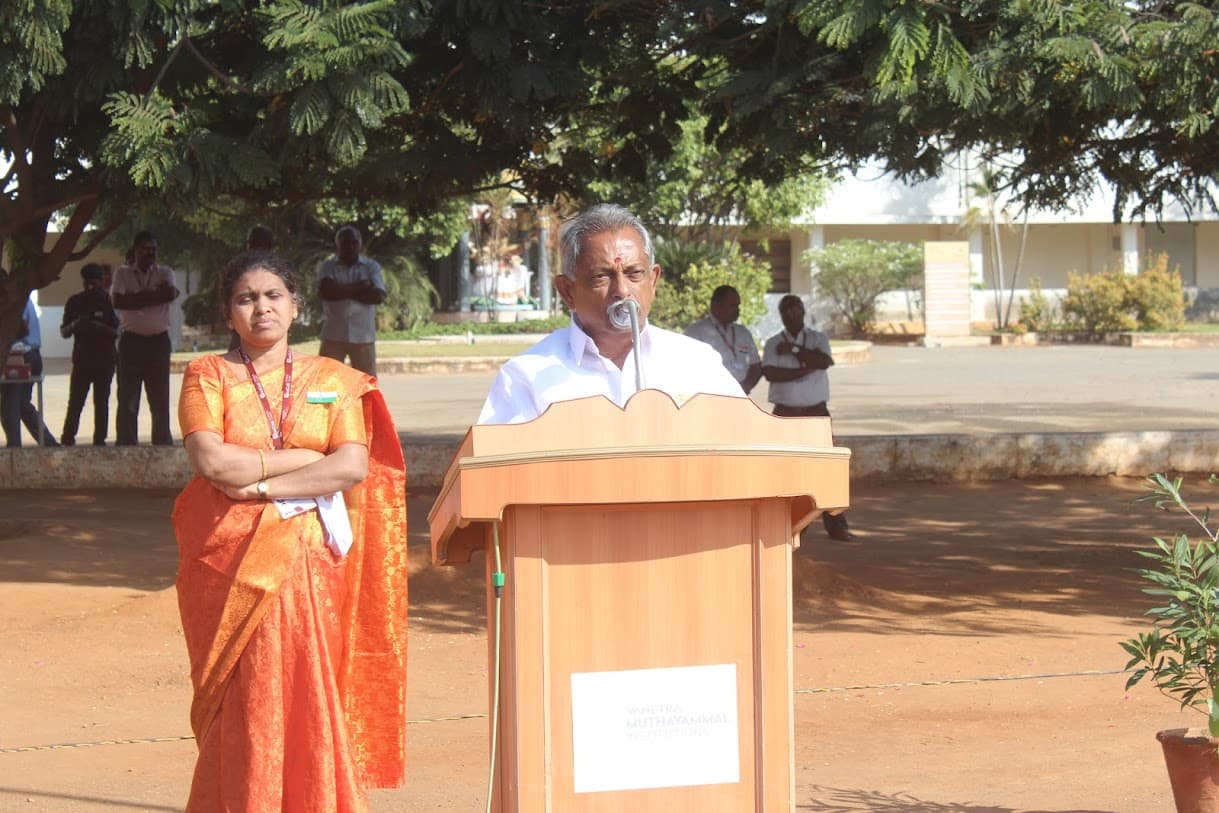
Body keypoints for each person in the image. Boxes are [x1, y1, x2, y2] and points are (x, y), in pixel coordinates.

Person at [172, 251, 407, 811]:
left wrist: (258, 487)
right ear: (229, 313)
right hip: (227, 561)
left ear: (296, 306)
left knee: (308, 685)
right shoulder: (208, 374)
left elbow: (351, 465)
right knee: (246, 691)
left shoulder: (334, 379)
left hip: (310, 566)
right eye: (245, 298)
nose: (261, 308)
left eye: (273, 295)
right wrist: (303, 458)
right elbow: (212, 463)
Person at [479, 203, 744, 425]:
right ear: (567, 291)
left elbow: (745, 443)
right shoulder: (526, 377)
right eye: (601, 277)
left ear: (653, 281)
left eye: (634, 273)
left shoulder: (696, 363)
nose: (622, 291)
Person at [762, 294, 855, 541]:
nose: (792, 315)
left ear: (803, 312)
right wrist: (804, 368)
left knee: (828, 467)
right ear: (781, 315)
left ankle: (836, 524)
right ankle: (791, 524)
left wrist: (794, 351)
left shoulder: (817, 338)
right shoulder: (773, 343)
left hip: (816, 411)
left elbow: (825, 361)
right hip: (785, 413)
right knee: (784, 468)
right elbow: (771, 373)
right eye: (787, 312)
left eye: (797, 310)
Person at [111, 230, 179, 445]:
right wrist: (154, 296)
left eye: (153, 249)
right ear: (136, 250)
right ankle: (127, 444)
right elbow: (119, 302)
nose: (150, 253)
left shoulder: (165, 272)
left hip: (158, 342)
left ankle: (161, 443)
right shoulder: (123, 274)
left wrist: (136, 298)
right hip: (131, 342)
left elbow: (169, 294)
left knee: (159, 397)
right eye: (145, 249)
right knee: (128, 397)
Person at [59, 263, 120, 446]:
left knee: (101, 402)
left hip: (104, 360)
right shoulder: (75, 301)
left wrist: (99, 327)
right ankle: (68, 438)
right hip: (82, 360)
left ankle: (99, 439)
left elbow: (117, 332)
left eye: (95, 283)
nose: (91, 287)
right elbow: (64, 332)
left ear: (101, 281)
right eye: (88, 283)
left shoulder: (109, 302)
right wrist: (76, 325)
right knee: (76, 402)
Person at [317, 225, 386, 376]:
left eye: (354, 242)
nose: (350, 246)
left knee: (366, 385)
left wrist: (341, 289)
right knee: (325, 383)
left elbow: (378, 296)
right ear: (338, 244)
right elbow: (326, 292)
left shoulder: (371, 267)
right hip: (333, 335)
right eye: (345, 242)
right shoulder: (328, 266)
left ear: (360, 244)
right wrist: (360, 287)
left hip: (363, 335)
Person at [1, 296, 58, 447]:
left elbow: (20, 328)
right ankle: (49, 444)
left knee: (10, 404)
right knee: (22, 404)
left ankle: (14, 448)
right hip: (29, 354)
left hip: (22, 355)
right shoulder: (20, 297)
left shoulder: (13, 300)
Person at [684, 284, 763, 394]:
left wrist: (746, 386)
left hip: (741, 396)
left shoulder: (743, 332)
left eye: (738, 306)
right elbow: (688, 369)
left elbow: (756, 365)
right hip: (710, 396)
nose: (737, 310)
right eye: (732, 305)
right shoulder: (696, 332)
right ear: (716, 305)